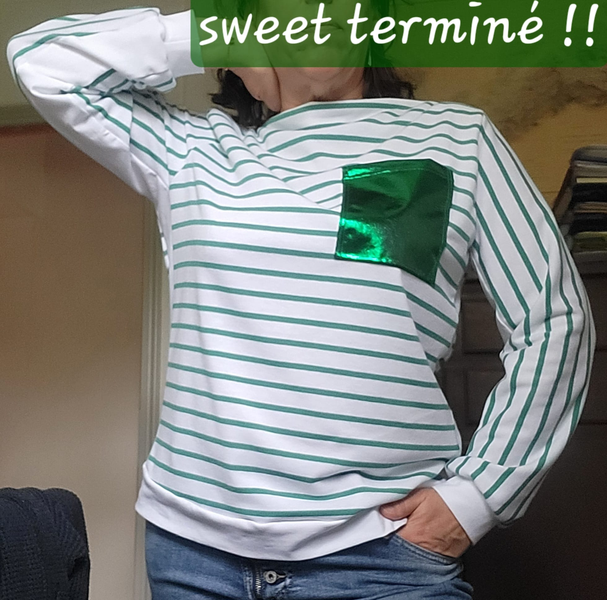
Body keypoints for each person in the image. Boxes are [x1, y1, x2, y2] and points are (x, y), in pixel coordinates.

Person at [7, 2, 595, 599]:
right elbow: (41, 62)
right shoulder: (191, 149)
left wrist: (479, 496)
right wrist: (217, 35)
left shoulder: (457, 138)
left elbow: (555, 319)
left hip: (384, 558)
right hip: (194, 558)